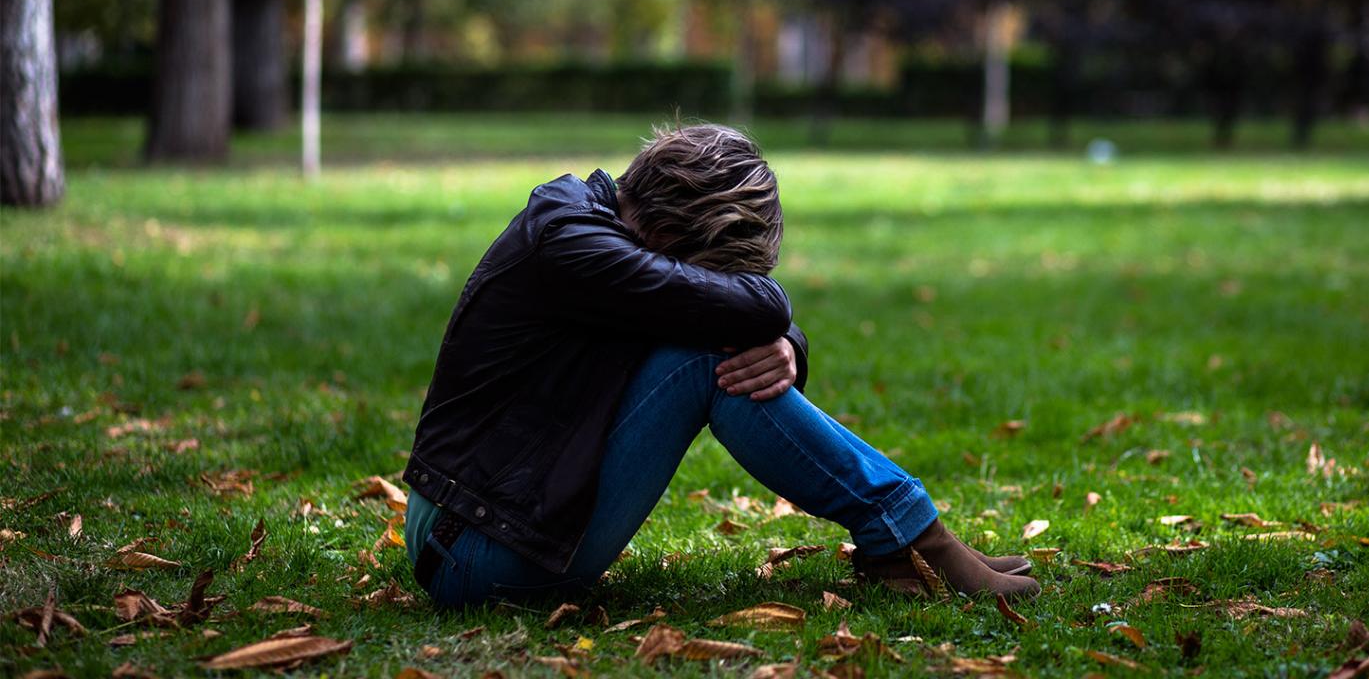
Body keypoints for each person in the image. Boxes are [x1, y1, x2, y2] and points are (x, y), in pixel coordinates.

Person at [403, 124, 1040, 608]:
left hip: (483, 527)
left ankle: (907, 538)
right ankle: (910, 538)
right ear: (679, 238)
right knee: (708, 355)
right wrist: (770, 319)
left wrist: (786, 344)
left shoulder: (598, 234)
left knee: (714, 347)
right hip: (474, 550)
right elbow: (751, 308)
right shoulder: (573, 244)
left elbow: (743, 314)